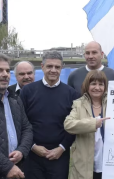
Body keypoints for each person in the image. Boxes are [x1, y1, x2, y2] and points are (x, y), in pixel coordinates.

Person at [20, 51, 81, 179]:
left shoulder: (72, 94)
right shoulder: (27, 91)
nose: (53, 70)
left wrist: (62, 147)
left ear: (61, 68)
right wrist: (32, 146)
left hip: (59, 155)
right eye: (49, 66)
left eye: (57, 67)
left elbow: (74, 125)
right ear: (42, 67)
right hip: (32, 155)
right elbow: (20, 122)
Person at [64, 70, 110, 179]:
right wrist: (93, 123)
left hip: (109, 162)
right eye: (93, 84)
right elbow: (68, 124)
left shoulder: (113, 102)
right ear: (87, 85)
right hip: (85, 163)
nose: (97, 88)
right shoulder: (79, 103)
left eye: (100, 84)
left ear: (105, 86)